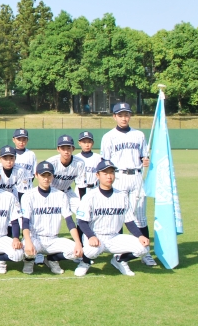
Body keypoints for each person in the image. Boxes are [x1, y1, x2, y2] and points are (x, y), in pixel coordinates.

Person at [100, 102, 156, 267]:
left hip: (136, 176)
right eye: (120, 115)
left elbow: (143, 156)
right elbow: (105, 162)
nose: (124, 118)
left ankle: (145, 252)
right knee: (119, 216)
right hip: (118, 177)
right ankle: (119, 252)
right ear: (114, 117)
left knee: (140, 216)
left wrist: (145, 161)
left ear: (130, 116)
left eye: (126, 114)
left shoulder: (139, 135)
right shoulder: (109, 137)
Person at [75, 159, 150, 277]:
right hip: (96, 236)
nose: (109, 176)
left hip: (115, 237)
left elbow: (129, 221)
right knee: (91, 251)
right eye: (105, 173)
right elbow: (82, 222)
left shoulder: (122, 196)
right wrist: (91, 236)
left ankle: (120, 260)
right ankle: (85, 262)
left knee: (144, 248)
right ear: (97, 175)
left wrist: (140, 235)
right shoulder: (90, 197)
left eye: (111, 172)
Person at [21, 161, 84, 275]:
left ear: (52, 176)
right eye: (43, 175)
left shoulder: (61, 195)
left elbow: (69, 221)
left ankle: (52, 259)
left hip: (53, 239)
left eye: (48, 175)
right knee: (22, 249)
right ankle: (29, 261)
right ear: (36, 175)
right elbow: (25, 222)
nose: (46, 179)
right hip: (35, 238)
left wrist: (78, 242)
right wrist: (28, 241)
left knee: (76, 251)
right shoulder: (28, 196)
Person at [11, 129, 37, 202]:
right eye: (19, 139)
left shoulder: (31, 154)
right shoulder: (10, 154)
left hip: (28, 188)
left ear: (27, 140)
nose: (21, 142)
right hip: (14, 188)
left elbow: (33, 173)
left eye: (24, 139)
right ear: (14, 140)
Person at [74, 131, 102, 198]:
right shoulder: (75, 158)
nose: (87, 145)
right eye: (84, 142)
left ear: (93, 143)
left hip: (95, 188)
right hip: (79, 189)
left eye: (89, 142)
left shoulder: (99, 158)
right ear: (79, 143)